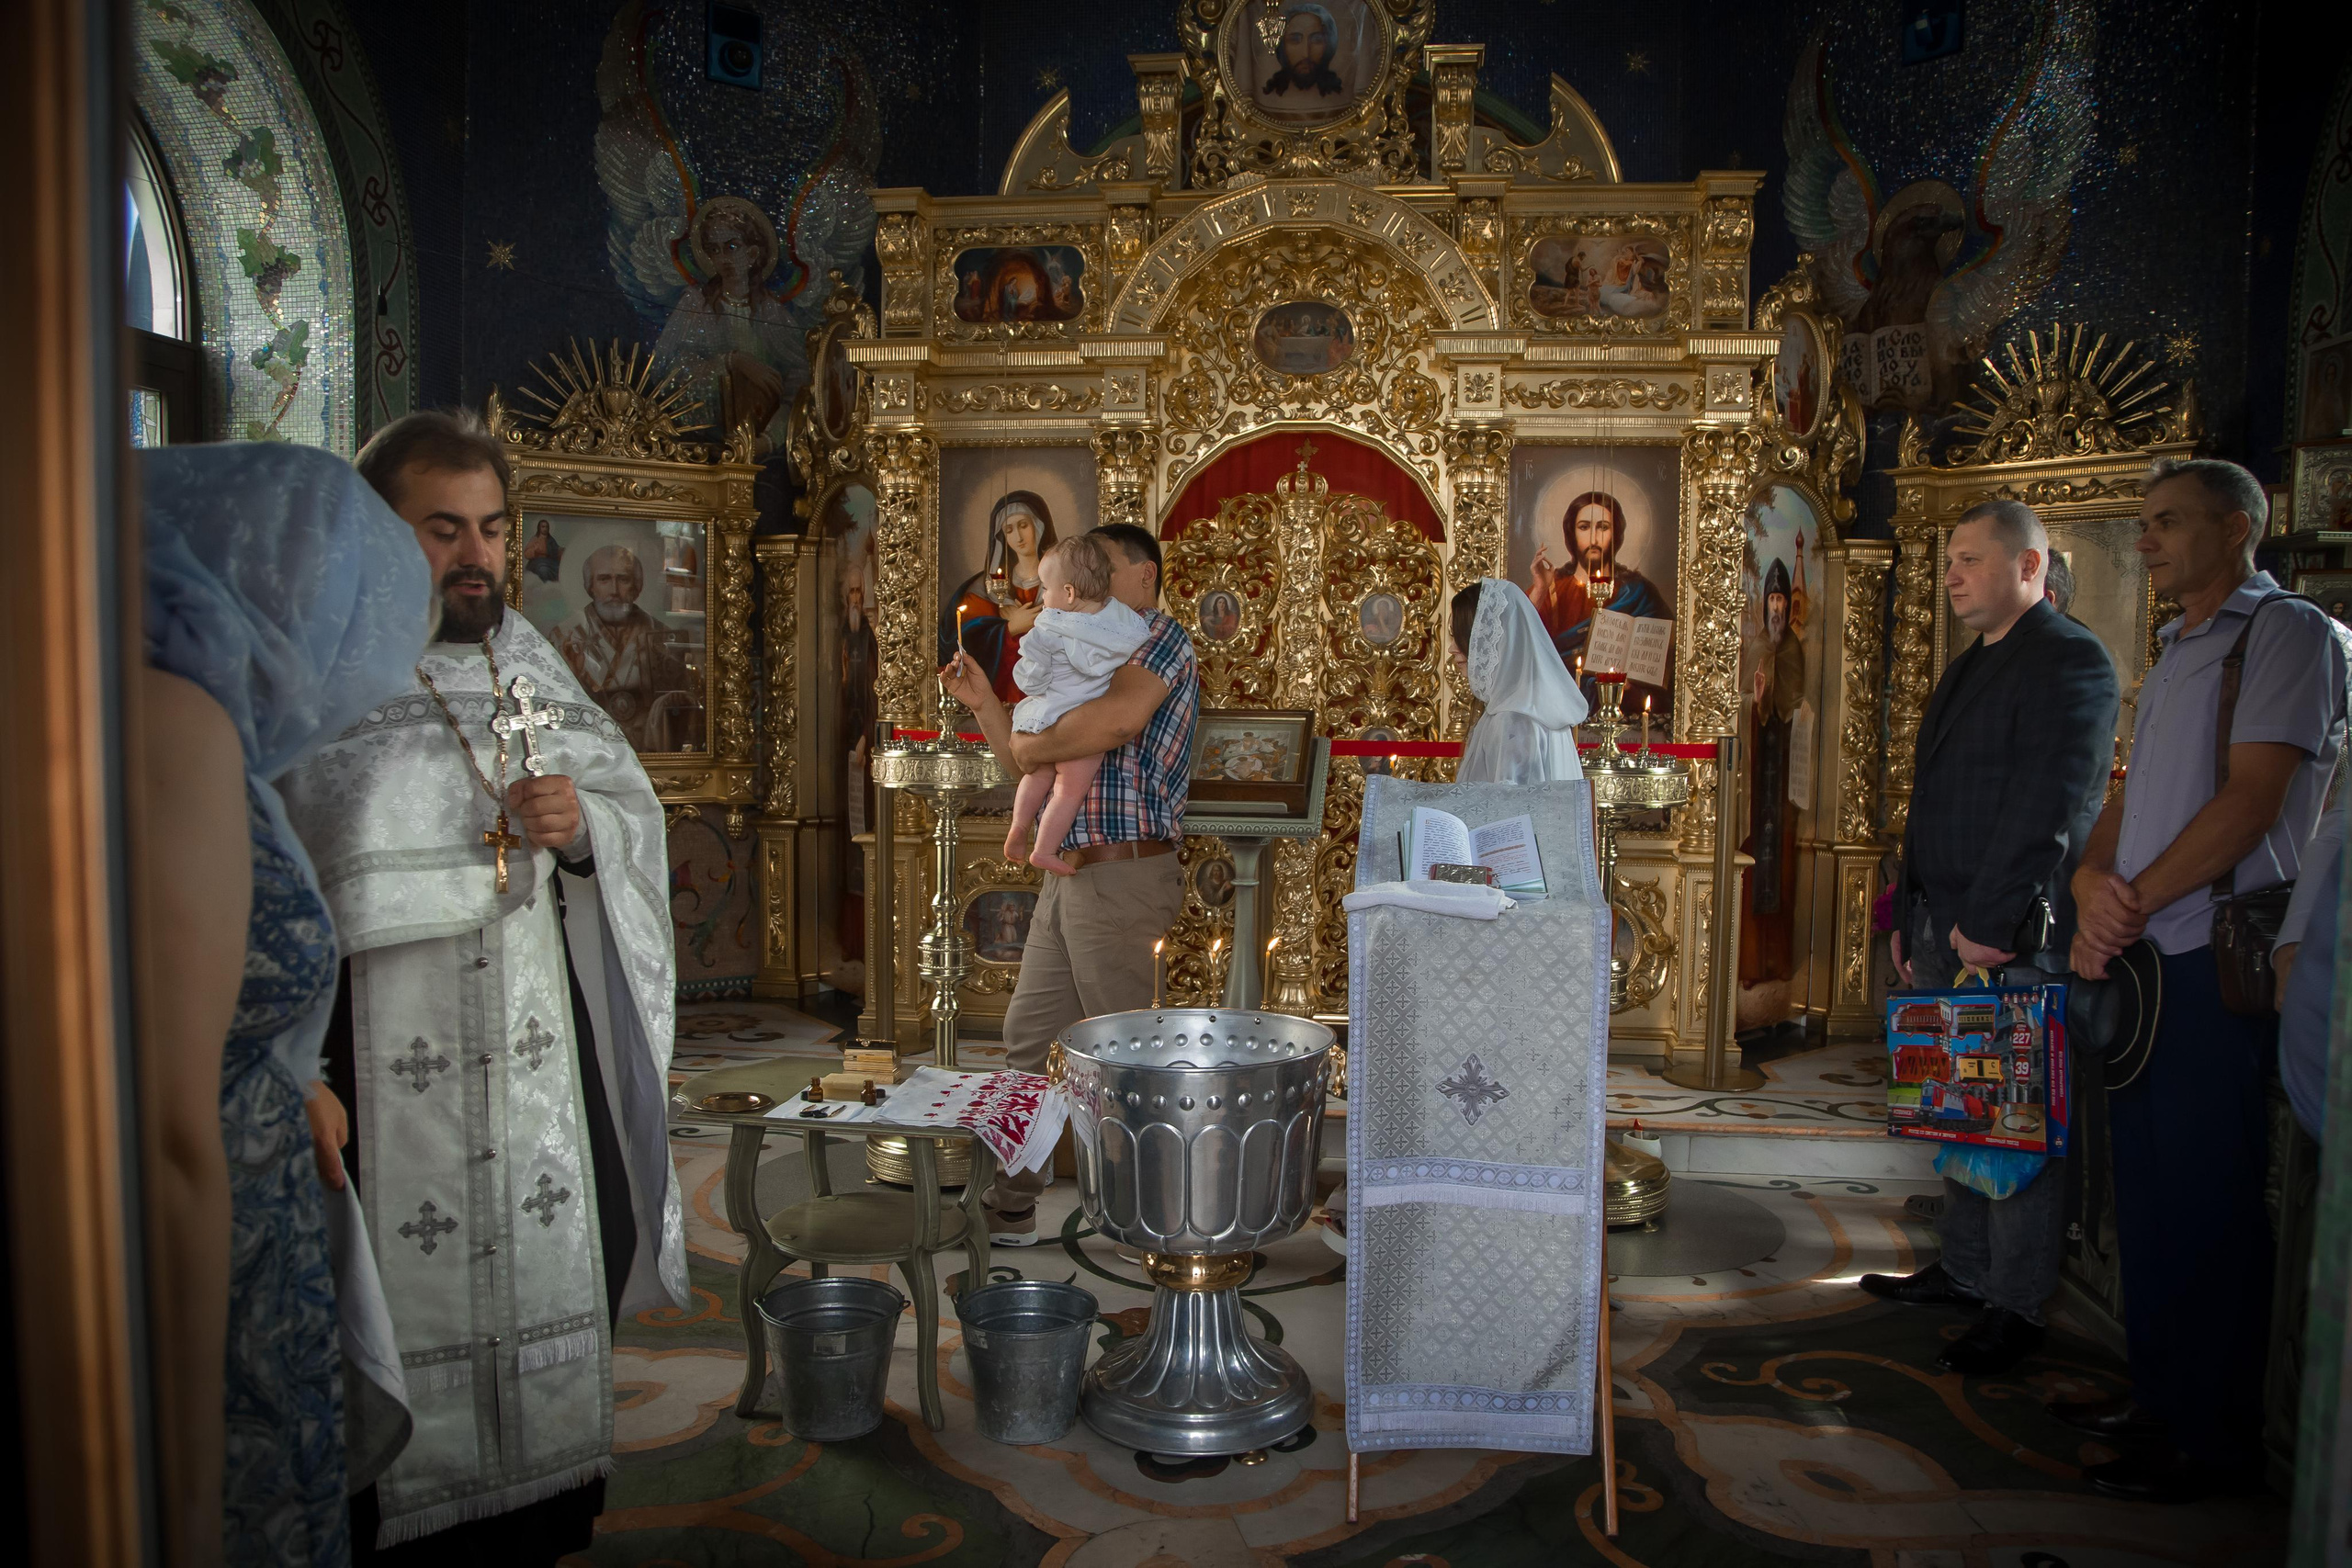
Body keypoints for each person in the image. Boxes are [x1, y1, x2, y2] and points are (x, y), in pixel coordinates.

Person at [282, 411, 689, 1560]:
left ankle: (540, 1511)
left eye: (493, 531)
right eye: (442, 529)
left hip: (529, 1048)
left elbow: (622, 808)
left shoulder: (530, 659)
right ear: (378, 530)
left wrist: (580, 832)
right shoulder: (320, 669)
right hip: (378, 1053)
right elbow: (281, 868)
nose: (475, 556)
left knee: (562, 1254)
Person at [138, 442, 431, 1566]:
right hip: (206, 1252)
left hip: (252, 1200)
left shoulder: (193, 725)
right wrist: (187, 1474)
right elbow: (173, 1126)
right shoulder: (177, 729)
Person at [2062, 457, 2349, 1500]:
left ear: (2237, 529)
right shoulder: (2179, 643)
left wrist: (2128, 899)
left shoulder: (2287, 635)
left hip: (2208, 958)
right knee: (2140, 1188)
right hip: (2141, 951)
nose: (2144, 540)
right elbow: (2127, 796)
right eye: (2140, 524)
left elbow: (2255, 799)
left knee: (2208, 1197)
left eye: (2167, 522)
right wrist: (2094, 879)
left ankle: (2212, 1440)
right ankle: (2155, 1397)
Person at [1855, 501, 2119, 1375]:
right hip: (1943, 923)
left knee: (2013, 1114)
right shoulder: (1973, 664)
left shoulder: (2070, 661)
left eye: (1970, 558)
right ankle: (1965, 1269)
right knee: (1955, 1100)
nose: (1953, 573)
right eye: (1951, 560)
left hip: (2008, 934)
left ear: (2030, 567)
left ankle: (2014, 1302)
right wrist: (1908, 910)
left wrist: (1989, 924)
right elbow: (1932, 801)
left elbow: (2050, 808)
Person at [943, 521, 1199, 1245]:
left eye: (1102, 566)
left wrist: (1032, 738)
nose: (1084, 579)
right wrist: (992, 709)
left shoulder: (1157, 638)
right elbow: (1029, 763)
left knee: (1123, 1058)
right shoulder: (1078, 637)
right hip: (1069, 879)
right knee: (1027, 1037)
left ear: (1143, 575)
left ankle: (1152, 1218)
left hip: (1124, 873)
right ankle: (1014, 1204)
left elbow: (1114, 722)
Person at [1000, 536, 1151, 874]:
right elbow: (1135, 642)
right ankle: (1044, 850)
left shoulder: (1047, 628)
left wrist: (1033, 678)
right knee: (1068, 792)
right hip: (1084, 720)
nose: (1042, 598)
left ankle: (1020, 826)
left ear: (1068, 593)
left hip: (1047, 715)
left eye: (1045, 589)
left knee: (1038, 774)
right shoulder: (1116, 623)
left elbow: (1030, 680)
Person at [548, 542, 695, 752]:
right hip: (590, 753)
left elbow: (683, 708)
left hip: (650, 752)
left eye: (623, 579)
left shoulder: (663, 637)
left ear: (637, 586)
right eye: (604, 579)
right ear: (591, 586)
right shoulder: (565, 637)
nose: (614, 591)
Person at [1526, 491, 1670, 694]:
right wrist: (1540, 589)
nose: (1594, 538)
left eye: (1603, 527)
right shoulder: (1551, 589)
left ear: (1616, 534)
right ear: (1571, 533)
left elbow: (1665, 662)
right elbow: (1519, 643)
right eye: (1584, 527)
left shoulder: (1638, 592)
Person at [1451, 579, 1589, 784]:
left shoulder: (1514, 720)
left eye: (1462, 637)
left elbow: (1511, 810)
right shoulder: (1537, 709)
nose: (1452, 648)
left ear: (1493, 642)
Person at [944, 491, 1057, 702]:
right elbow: (960, 641)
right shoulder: (984, 589)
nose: (1019, 537)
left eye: (1024, 525)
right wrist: (1009, 629)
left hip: (1050, 699)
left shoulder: (1063, 583)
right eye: (1009, 529)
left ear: (1038, 526)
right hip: (1000, 699)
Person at [1264, 3, 1343, 99]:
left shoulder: (1338, 97)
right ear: (1282, 46)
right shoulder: (1271, 98)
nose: (1306, 54)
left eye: (1317, 40)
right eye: (1295, 40)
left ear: (1328, 44)